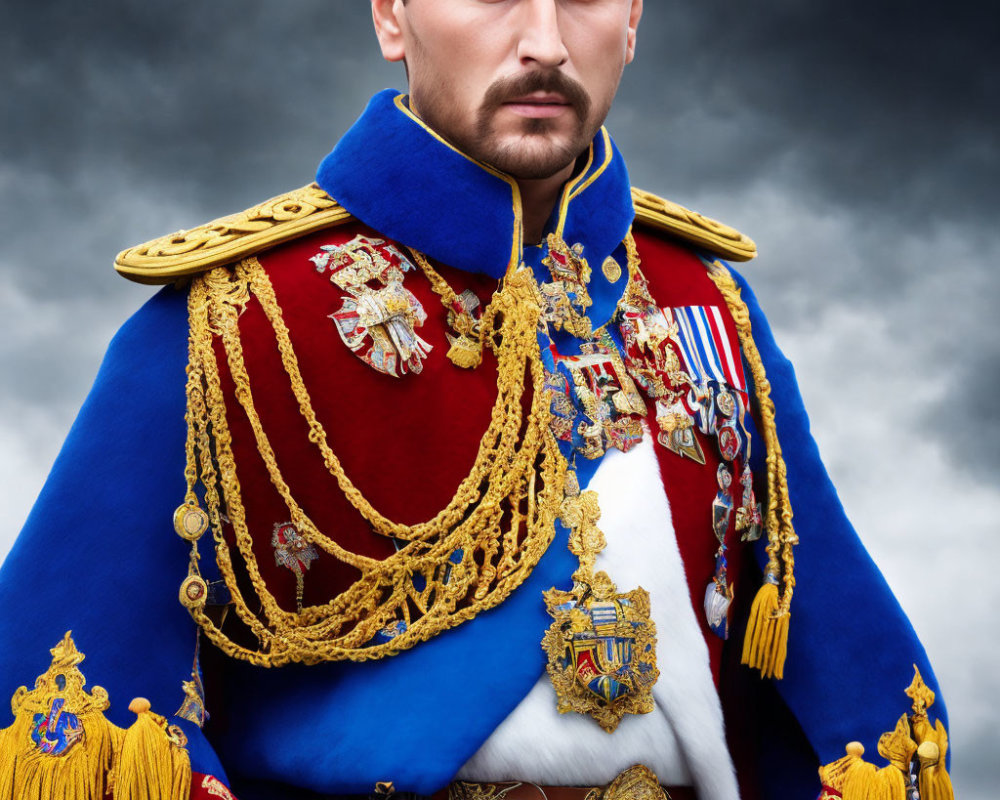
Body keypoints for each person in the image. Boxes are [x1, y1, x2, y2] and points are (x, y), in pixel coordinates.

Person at [0, 2, 953, 799]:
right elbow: (82, 699)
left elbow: (852, 693)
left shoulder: (711, 304)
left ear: (631, 21)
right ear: (391, 15)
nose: (543, 39)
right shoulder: (236, 319)